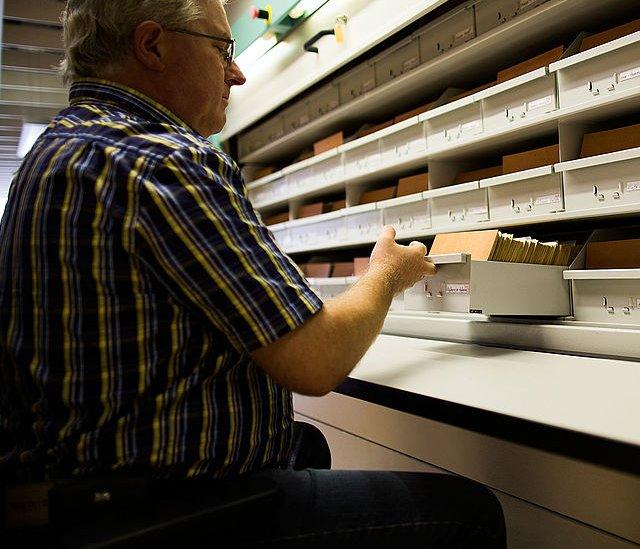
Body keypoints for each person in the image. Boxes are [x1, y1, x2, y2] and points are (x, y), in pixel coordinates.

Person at [0, 0, 505, 546]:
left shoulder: (57, 152)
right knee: (467, 512)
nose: (236, 74)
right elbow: (315, 362)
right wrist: (386, 274)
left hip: (66, 498)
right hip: (142, 512)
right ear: (152, 46)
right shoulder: (156, 159)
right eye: (222, 50)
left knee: (302, 444)